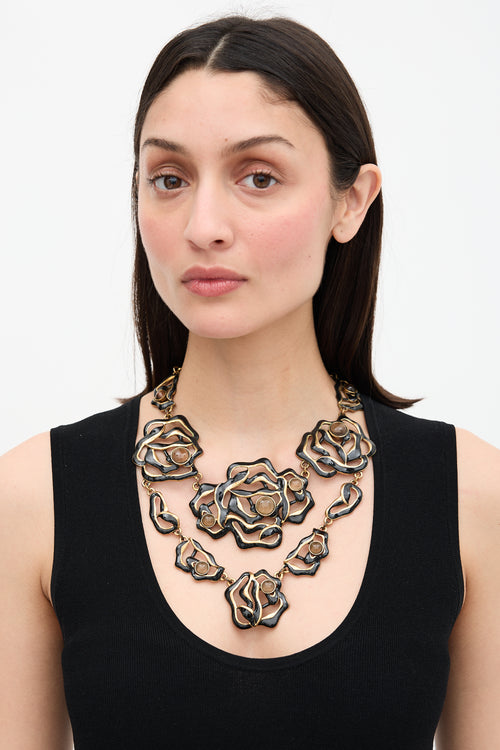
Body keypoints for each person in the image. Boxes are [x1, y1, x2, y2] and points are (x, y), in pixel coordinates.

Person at [0, 14, 498, 750]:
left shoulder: (472, 496)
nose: (203, 225)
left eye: (258, 177)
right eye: (169, 179)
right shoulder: (31, 498)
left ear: (352, 201)